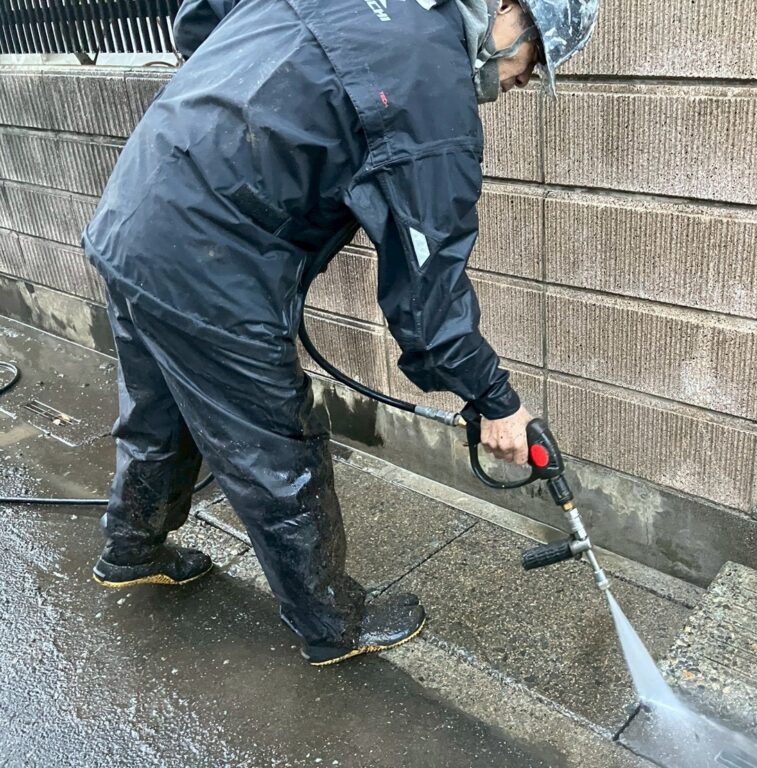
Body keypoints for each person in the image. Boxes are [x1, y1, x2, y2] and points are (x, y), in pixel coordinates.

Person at [82, 0, 599, 666]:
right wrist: (497, 402)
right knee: (277, 447)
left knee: (159, 409)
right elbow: (429, 307)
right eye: (536, 57)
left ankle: (131, 549)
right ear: (507, 8)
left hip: (138, 205)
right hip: (214, 261)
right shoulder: (432, 89)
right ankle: (333, 624)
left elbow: (198, 17)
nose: (525, 79)